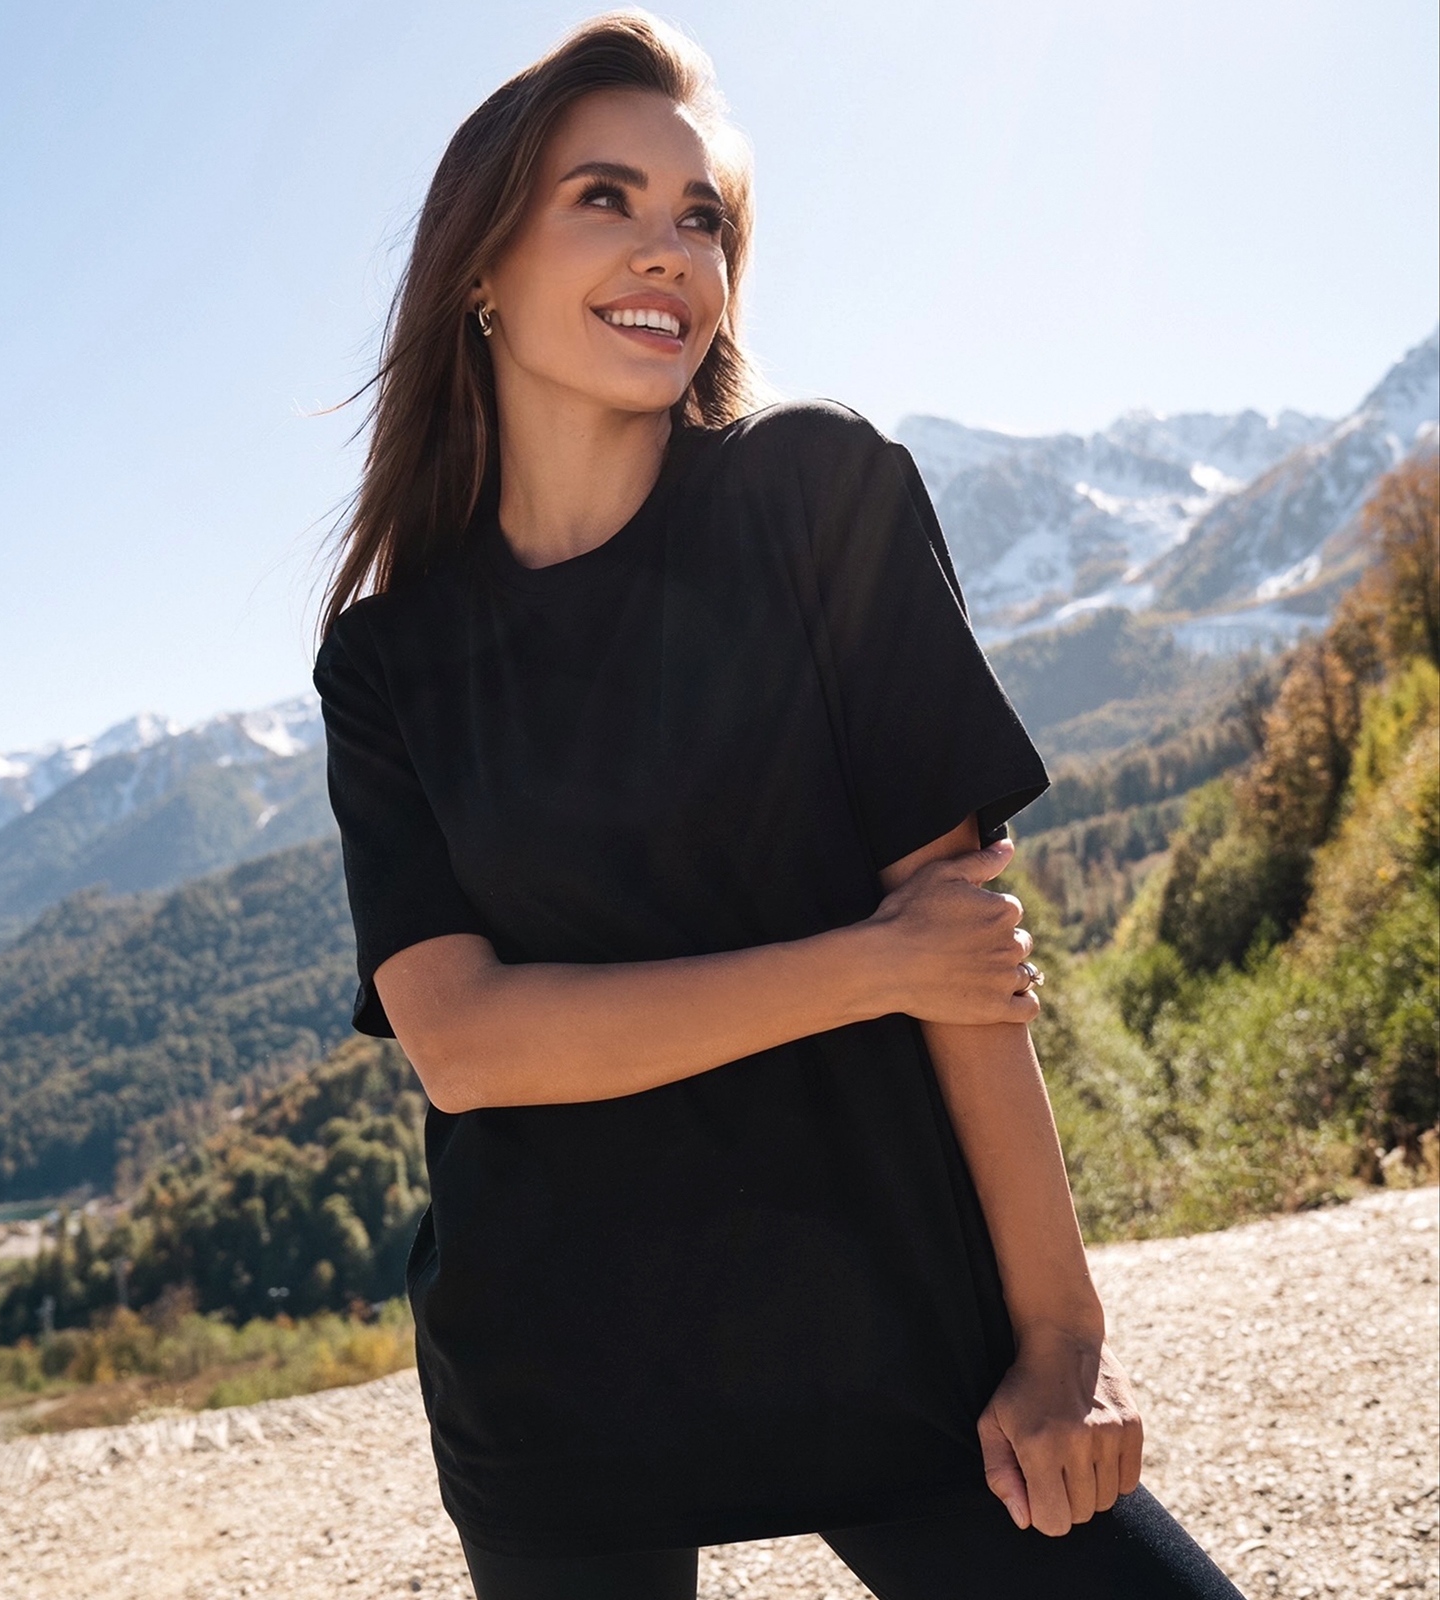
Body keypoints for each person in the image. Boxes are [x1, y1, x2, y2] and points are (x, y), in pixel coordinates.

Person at [314, 12, 1244, 1598]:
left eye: (703, 218)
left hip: (894, 1335)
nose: (670, 250)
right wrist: (865, 966)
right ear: (479, 265)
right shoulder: (391, 660)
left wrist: (1061, 1337)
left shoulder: (819, 494)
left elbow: (970, 969)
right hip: (559, 1391)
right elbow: (465, 1043)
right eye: (604, 198)